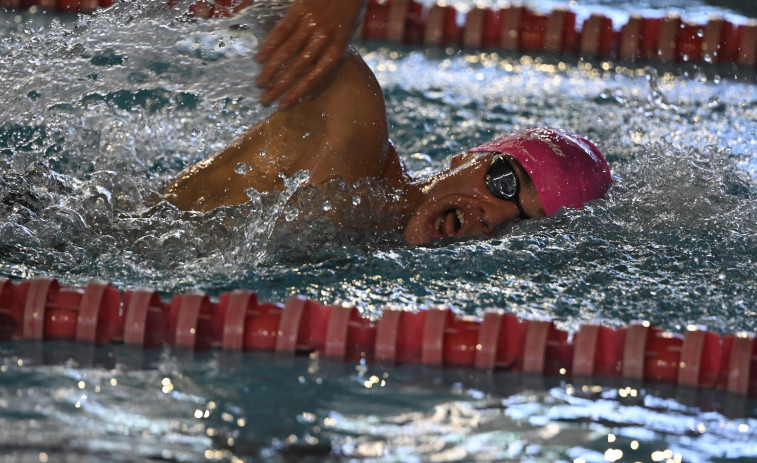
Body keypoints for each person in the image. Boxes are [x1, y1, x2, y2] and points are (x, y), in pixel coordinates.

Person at [164, 2, 612, 245]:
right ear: (468, 156)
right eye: (502, 182)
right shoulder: (351, 131)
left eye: (521, 223)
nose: (491, 217)